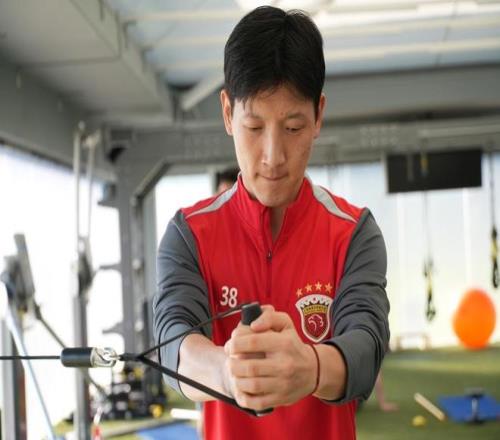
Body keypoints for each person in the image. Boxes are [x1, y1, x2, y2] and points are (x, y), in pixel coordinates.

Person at [154, 6, 390, 440]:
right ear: (228, 113)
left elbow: (368, 344)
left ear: (319, 115)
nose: (273, 156)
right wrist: (228, 373)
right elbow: (172, 341)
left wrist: (310, 367)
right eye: (254, 126)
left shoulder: (354, 231)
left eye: (293, 127)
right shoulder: (188, 234)